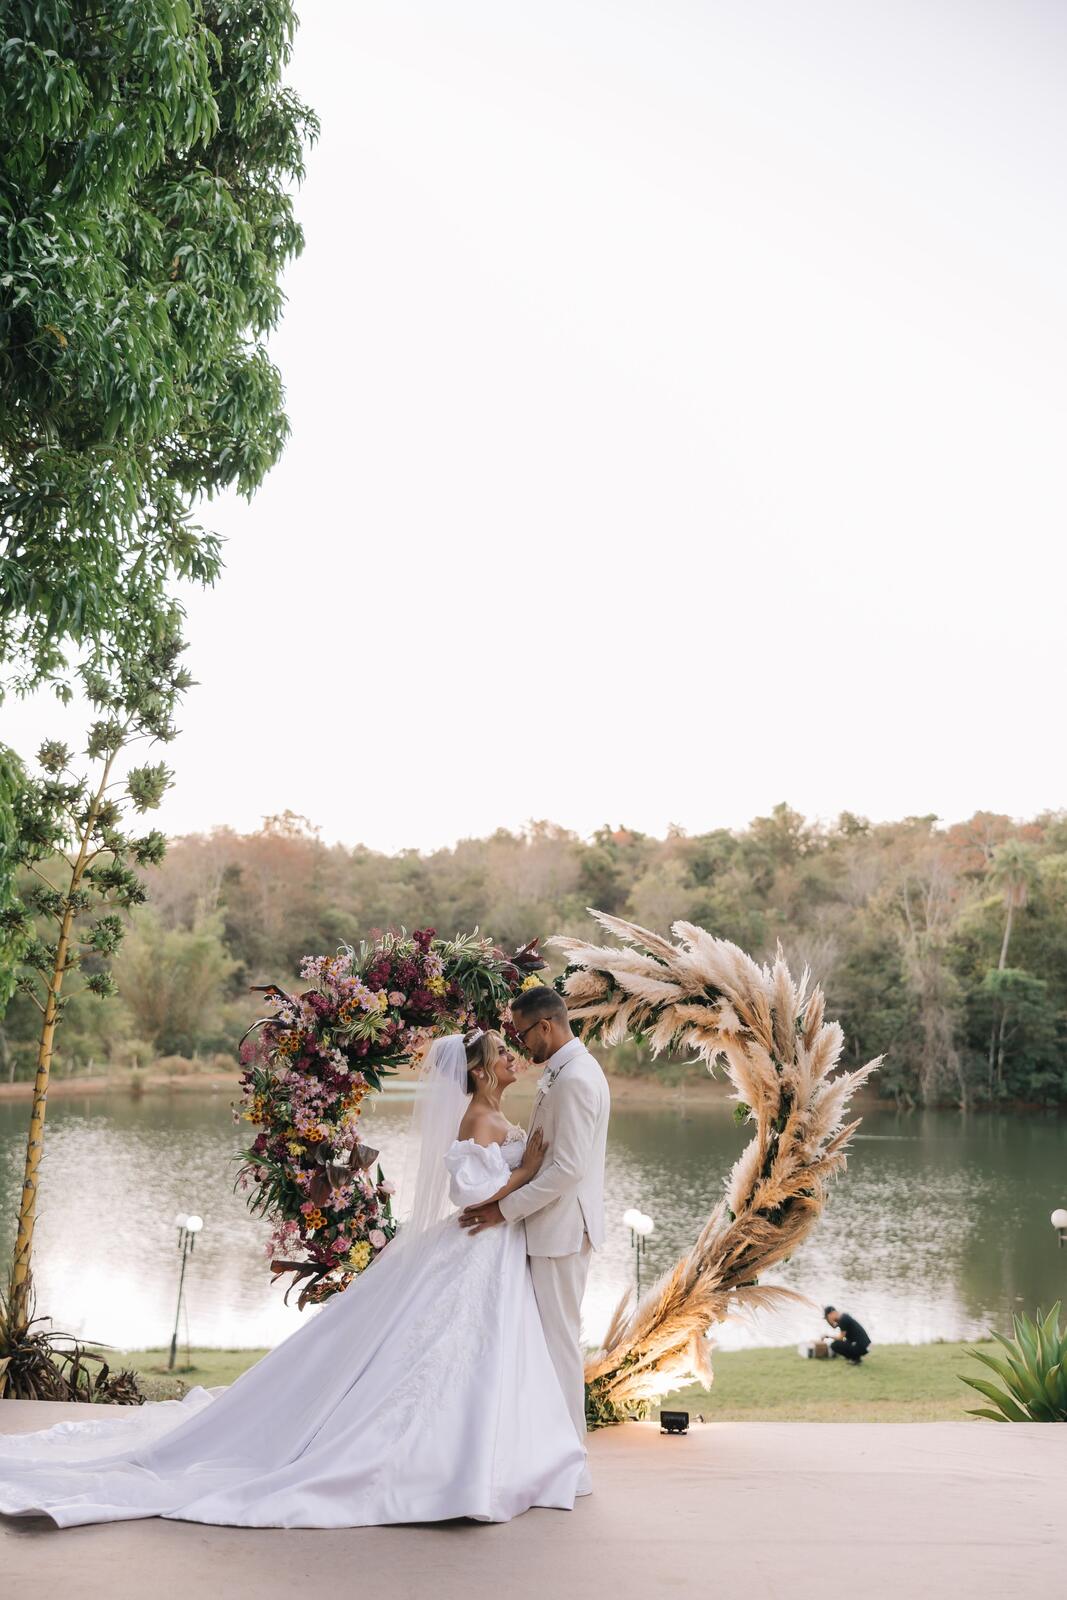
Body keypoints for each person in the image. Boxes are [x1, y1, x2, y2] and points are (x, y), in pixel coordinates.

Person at [0, 1031, 587, 1528]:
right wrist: (527, 1172)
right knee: (446, 1350)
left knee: (479, 1352)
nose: (514, 1057)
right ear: (482, 1070)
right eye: (504, 1052)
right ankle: (445, 1464)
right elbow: (473, 1195)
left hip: (493, 1253)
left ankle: (490, 1455)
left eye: (516, 1047)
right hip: (478, 1246)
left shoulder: (498, 1113)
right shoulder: (478, 1118)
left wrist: (523, 1172)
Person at [459, 986, 610, 1467]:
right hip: (546, 1229)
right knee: (545, 1344)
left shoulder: (576, 1080)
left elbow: (566, 1170)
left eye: (523, 1034)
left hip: (561, 1231)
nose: (521, 1045)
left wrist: (502, 1211)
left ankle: (568, 1456)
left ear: (546, 1026)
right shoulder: (563, 1073)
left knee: (560, 1345)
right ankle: (547, 1447)